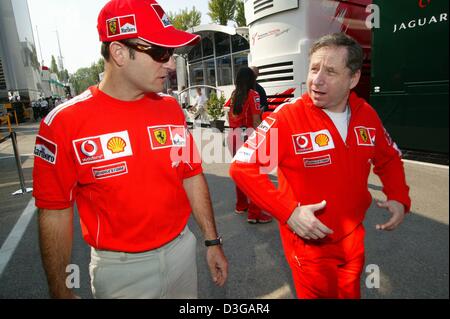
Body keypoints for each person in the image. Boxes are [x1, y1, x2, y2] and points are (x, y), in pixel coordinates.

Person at [33, 0, 227, 299]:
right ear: (120, 52)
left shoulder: (171, 109)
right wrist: (60, 288)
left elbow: (191, 175)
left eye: (172, 53)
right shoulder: (63, 124)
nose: (171, 64)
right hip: (120, 272)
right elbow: (55, 212)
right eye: (160, 52)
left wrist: (212, 242)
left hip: (182, 254)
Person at [230, 33, 411, 299]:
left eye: (330, 71)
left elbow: (389, 157)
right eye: (314, 68)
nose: (317, 79)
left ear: (353, 79)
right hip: (309, 248)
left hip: (352, 242)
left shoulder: (366, 114)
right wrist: (289, 212)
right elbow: (241, 167)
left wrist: (398, 196)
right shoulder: (288, 117)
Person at [225, 67, 272, 224]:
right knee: (256, 175)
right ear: (252, 79)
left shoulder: (233, 95)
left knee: (241, 173)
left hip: (233, 136)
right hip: (247, 136)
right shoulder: (254, 95)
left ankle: (241, 205)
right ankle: (254, 213)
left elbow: (227, 115)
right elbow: (257, 119)